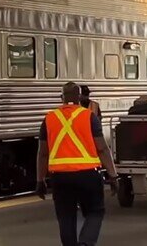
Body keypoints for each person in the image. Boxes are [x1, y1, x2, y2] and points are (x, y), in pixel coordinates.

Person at [37, 82, 119, 246]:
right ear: (80, 98)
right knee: (95, 211)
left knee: (65, 217)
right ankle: (86, 243)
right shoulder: (89, 116)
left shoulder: (49, 118)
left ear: (62, 98)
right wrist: (113, 175)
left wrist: (40, 180)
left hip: (60, 178)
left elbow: (43, 153)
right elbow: (102, 148)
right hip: (88, 175)